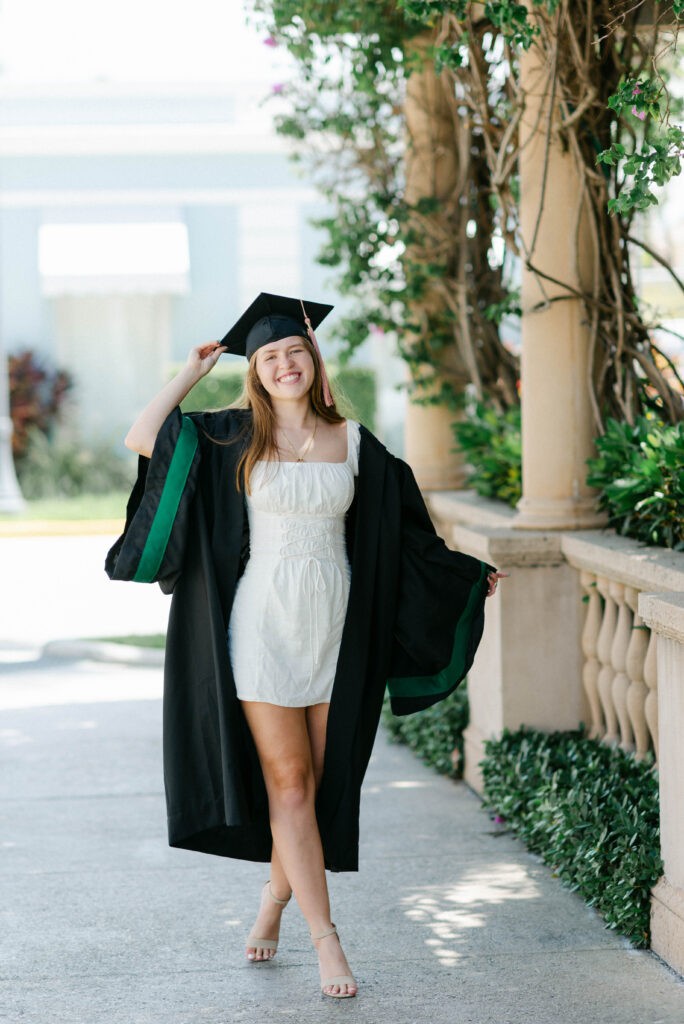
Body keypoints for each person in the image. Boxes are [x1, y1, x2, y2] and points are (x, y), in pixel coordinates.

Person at [106, 292, 506, 1000]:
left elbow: (404, 535)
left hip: (338, 629)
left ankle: (273, 901)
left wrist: (464, 578)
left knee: (317, 790)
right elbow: (145, 438)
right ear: (254, 372)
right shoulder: (230, 434)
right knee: (287, 784)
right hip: (261, 626)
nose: (284, 365)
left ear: (312, 359)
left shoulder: (353, 442)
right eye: (268, 357)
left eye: (294, 352)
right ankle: (328, 941)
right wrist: (189, 376)